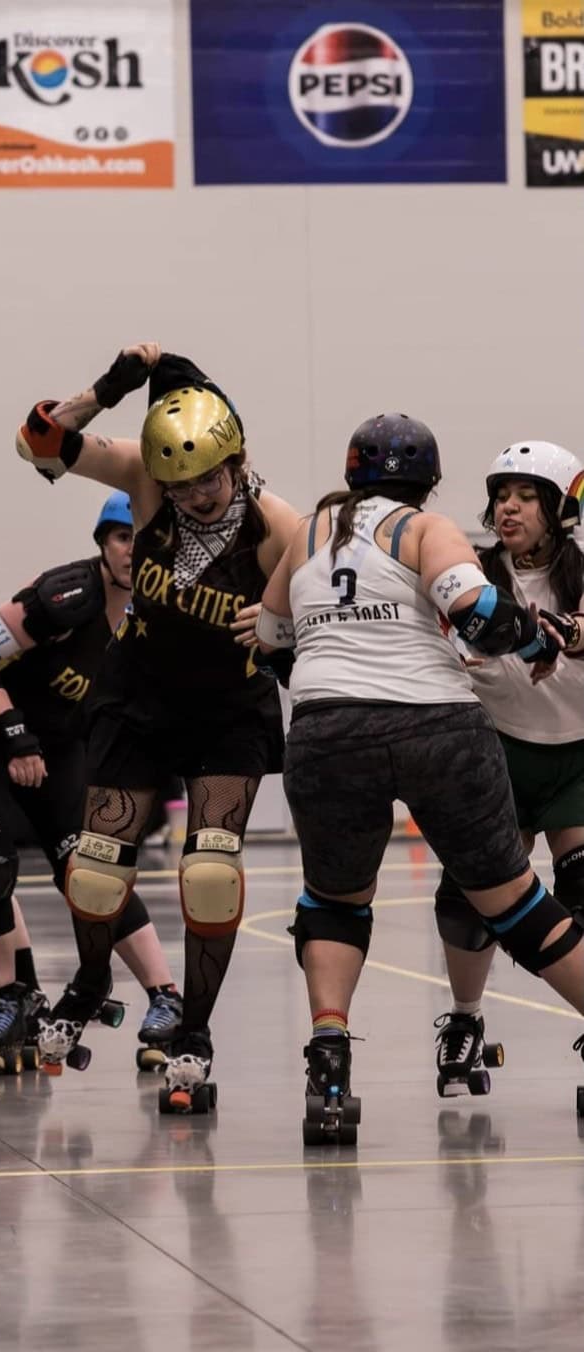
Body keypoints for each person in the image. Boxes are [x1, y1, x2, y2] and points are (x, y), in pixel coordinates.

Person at [254, 413, 584, 1144]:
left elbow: (271, 644)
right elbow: (477, 611)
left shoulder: (307, 533)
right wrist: (532, 635)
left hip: (326, 728)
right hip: (434, 726)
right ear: (428, 483)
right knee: (514, 904)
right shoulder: (422, 529)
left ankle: (330, 1064)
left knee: (333, 902)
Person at [15, 342, 299, 1112]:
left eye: (209, 476)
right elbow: (36, 440)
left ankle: (194, 1032)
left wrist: (278, 627)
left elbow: (312, 630)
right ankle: (89, 978)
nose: (197, 495)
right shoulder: (145, 480)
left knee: (208, 875)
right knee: (96, 867)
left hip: (226, 713)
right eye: (179, 483)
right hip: (137, 694)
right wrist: (110, 384)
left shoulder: (277, 526)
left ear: (235, 458)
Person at [0, 491, 181, 1074]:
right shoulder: (68, 595)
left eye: (145, 538)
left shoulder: (160, 610)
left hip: (62, 749)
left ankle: (166, 997)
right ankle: (8, 999)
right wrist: (15, 732)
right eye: (124, 537)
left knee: (93, 871)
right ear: (104, 543)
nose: (134, 550)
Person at [432, 441, 584, 1095]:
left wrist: (565, 629)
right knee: (466, 898)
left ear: (557, 508)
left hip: (576, 755)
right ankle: (463, 1024)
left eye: (524, 496)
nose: (507, 508)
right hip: (495, 752)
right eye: (500, 496)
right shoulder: (465, 571)